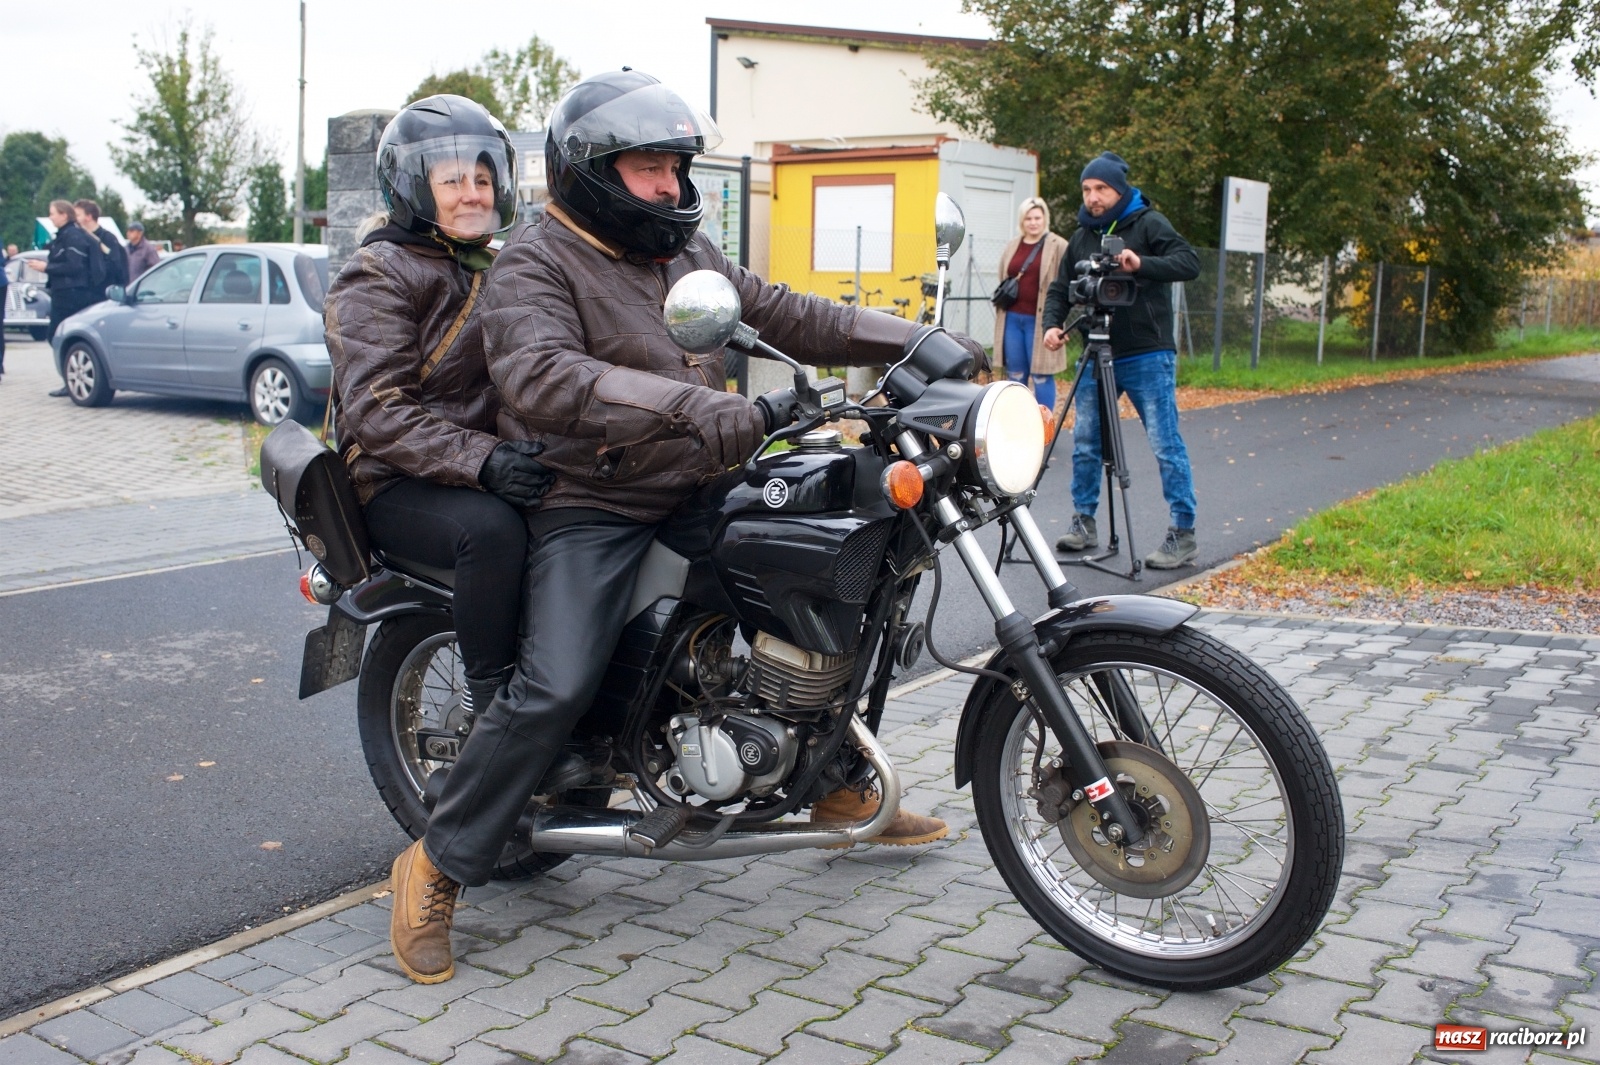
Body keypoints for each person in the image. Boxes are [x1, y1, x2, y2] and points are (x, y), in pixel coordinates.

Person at [387, 69, 985, 985]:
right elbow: (546, 377)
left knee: (820, 570)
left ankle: (825, 781)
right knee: (553, 684)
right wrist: (694, 410)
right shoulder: (534, 263)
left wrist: (906, 338)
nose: (669, 184)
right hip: (594, 500)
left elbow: (785, 310)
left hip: (702, 477)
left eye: (674, 165)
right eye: (648, 168)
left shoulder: (680, 248)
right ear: (591, 170)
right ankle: (436, 864)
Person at [324, 94, 554, 811]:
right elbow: (377, 409)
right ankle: (496, 719)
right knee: (490, 532)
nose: (471, 193)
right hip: (392, 478)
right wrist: (483, 462)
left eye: (482, 179)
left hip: (472, 461)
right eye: (453, 179)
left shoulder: (495, 264)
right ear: (415, 186)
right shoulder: (380, 272)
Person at [1041, 152, 1201, 570]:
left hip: (1148, 351)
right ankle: (1083, 522)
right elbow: (1060, 289)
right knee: (1086, 443)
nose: (1093, 197)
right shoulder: (1080, 235)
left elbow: (1189, 262)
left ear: (1119, 190)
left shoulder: (1148, 223)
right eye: (1087, 189)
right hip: (1095, 349)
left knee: (1165, 444)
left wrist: (1140, 263)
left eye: (1101, 189)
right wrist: (1052, 325)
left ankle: (1182, 532)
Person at [994, 196, 1070, 410]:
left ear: (1045, 218)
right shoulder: (1013, 245)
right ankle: (1018, 424)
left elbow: (1069, 277)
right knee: (1015, 374)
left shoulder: (1058, 245)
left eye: (1037, 217)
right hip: (1012, 318)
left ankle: (1044, 427)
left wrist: (1059, 319)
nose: (1033, 222)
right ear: (1022, 220)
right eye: (1029, 218)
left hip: (1042, 321)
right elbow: (1003, 275)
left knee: (1041, 374)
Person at [28, 200, 100, 397]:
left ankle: (75, 378)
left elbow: (74, 265)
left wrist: (46, 268)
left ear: (64, 215)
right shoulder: (64, 236)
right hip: (63, 292)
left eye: (53, 213)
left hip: (72, 294)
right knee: (58, 336)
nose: (50, 217)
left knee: (59, 336)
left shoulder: (73, 236)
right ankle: (71, 378)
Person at [74, 200, 129, 293]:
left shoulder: (108, 238)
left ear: (88, 217)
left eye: (77, 215)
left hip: (104, 293)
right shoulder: (78, 238)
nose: (74, 219)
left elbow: (116, 265)